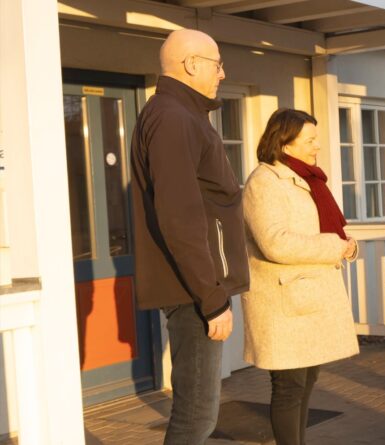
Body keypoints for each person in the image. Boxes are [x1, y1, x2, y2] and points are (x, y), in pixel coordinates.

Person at [130, 29, 249, 444]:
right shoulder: (173, 117)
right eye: (217, 64)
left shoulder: (182, 114)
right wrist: (211, 298)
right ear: (192, 64)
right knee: (196, 417)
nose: (222, 73)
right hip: (193, 291)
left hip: (196, 286)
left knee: (198, 414)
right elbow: (179, 215)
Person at [241, 108, 360, 445]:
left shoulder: (309, 179)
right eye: (309, 140)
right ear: (285, 143)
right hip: (283, 304)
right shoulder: (264, 182)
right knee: (289, 388)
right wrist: (334, 246)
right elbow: (275, 243)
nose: (317, 146)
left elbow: (321, 230)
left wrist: (346, 245)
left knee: (306, 384)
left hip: (308, 301)